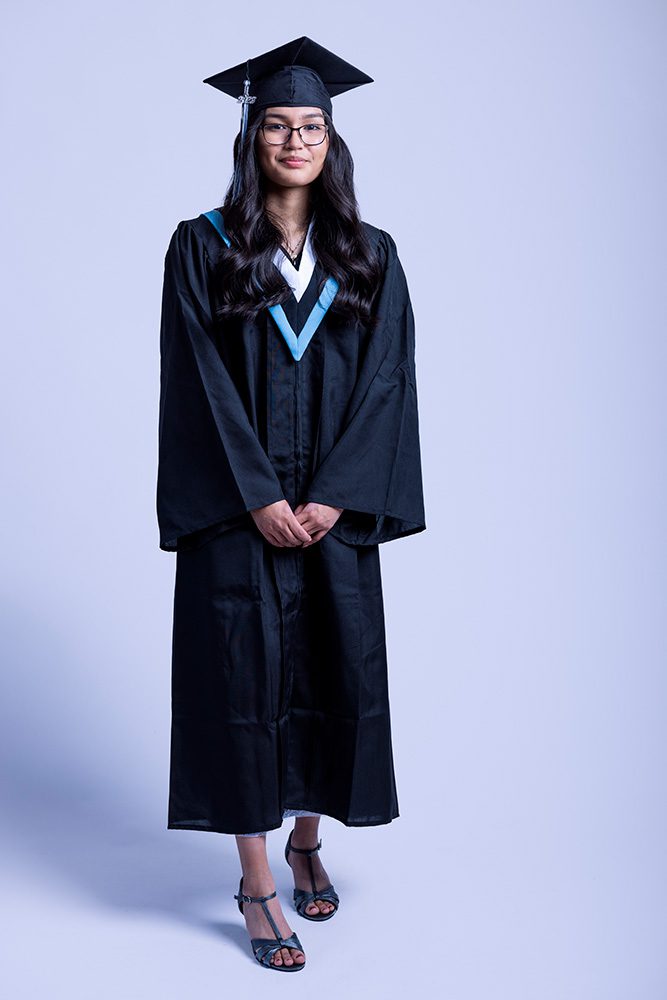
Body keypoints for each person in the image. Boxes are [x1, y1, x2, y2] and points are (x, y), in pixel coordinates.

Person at [156, 35, 427, 973]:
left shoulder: (369, 256)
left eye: (311, 125)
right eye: (276, 124)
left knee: (331, 675)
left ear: (330, 141)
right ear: (251, 138)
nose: (295, 139)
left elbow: (388, 380)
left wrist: (335, 496)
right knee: (241, 686)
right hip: (242, 516)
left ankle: (308, 835)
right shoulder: (203, 246)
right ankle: (257, 879)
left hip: (332, 516)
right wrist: (259, 495)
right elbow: (195, 380)